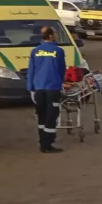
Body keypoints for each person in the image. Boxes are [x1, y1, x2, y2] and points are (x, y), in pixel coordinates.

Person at [27, 26, 66, 154]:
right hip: (52, 88)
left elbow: (31, 71)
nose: (55, 35)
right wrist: (61, 83)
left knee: (41, 115)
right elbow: (61, 70)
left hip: (39, 88)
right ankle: (47, 144)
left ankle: (42, 142)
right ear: (50, 36)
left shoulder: (35, 51)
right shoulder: (58, 51)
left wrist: (31, 88)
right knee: (51, 116)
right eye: (54, 34)